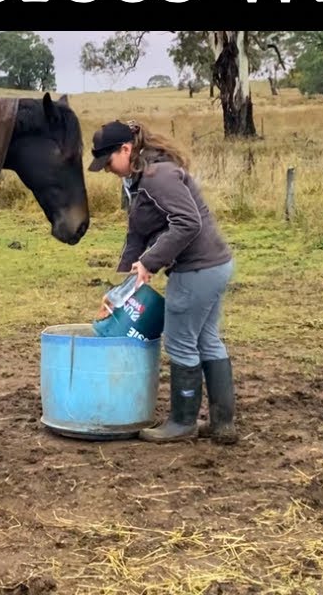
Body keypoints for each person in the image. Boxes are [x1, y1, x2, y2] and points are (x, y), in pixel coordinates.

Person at [88, 119, 238, 444]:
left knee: (180, 341)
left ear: (126, 149)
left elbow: (187, 223)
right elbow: (138, 230)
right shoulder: (142, 176)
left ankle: (182, 423)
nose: (107, 170)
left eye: (108, 161)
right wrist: (126, 283)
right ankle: (223, 424)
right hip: (212, 265)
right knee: (207, 339)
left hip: (196, 269)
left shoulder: (158, 177)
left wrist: (150, 261)